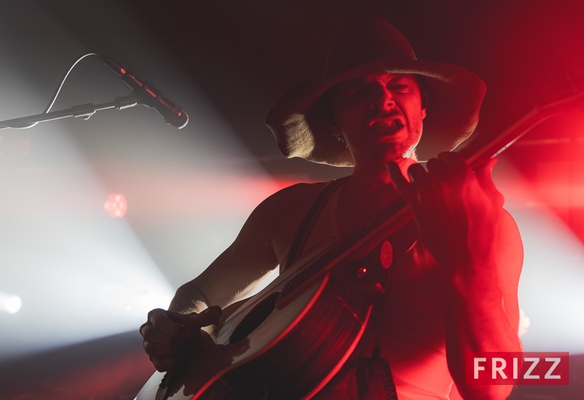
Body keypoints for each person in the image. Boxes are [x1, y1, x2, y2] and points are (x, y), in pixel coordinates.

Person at [139, 19, 523, 399]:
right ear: (334, 120)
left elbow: (494, 385)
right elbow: (202, 293)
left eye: (400, 85)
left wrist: (471, 274)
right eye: (358, 92)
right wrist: (178, 327)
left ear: (424, 107)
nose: (383, 98)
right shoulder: (289, 210)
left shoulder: (482, 221)